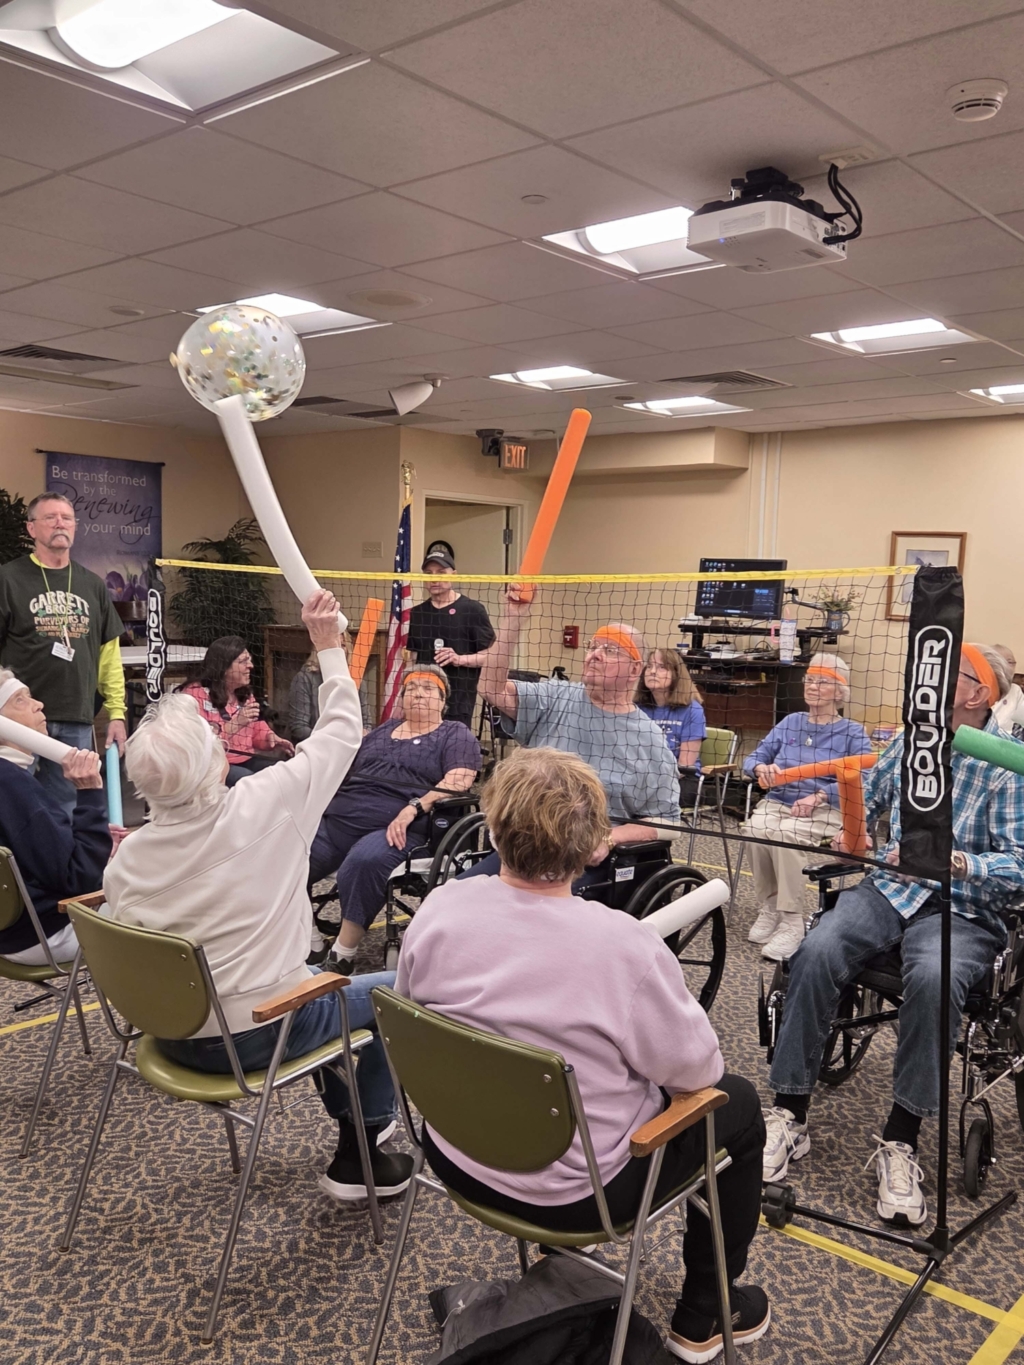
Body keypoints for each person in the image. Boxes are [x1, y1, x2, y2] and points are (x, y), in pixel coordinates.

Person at [397, 747, 769, 1362]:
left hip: (453, 1154)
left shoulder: (440, 907)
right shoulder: (623, 947)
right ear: (596, 847)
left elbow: (417, 1015)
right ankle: (706, 1311)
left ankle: (571, 1264)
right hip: (576, 1194)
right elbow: (698, 1073)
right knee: (740, 1103)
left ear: (493, 829)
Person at [105, 590, 412, 1203]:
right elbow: (341, 733)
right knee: (403, 992)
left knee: (317, 981)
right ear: (217, 765)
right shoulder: (266, 804)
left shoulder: (127, 858)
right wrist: (329, 645)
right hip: (255, 1034)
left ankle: (351, 1114)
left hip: (170, 1033)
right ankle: (363, 1150)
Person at [763, 643, 1024, 1228]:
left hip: (964, 908)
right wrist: (849, 833)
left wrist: (960, 863)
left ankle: (901, 1141)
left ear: (979, 694)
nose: (931, 677)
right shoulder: (912, 742)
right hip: (891, 888)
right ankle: (789, 1112)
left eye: (949, 672)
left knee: (933, 976)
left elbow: (1021, 862)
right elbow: (865, 796)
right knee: (816, 949)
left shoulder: (1009, 765)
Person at [469, 593, 680, 885]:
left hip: (583, 860)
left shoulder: (650, 740)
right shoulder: (556, 696)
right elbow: (491, 688)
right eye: (592, 646)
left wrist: (610, 837)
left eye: (610, 650)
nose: (595, 654)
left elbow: (669, 823)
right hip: (522, 848)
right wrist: (513, 617)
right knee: (453, 897)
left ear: (635, 669)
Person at [309, 664, 480, 973]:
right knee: (290, 854)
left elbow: (460, 779)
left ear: (443, 700)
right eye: (410, 688)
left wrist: (415, 806)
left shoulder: (454, 733)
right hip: (339, 819)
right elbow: (343, 767)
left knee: (364, 861)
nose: (418, 694)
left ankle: (342, 954)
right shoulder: (382, 731)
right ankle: (310, 940)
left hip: (398, 827)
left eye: (428, 689)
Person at [0, 492, 126, 817]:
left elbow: (109, 657)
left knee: (68, 809)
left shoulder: (93, 585)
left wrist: (116, 713)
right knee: (13, 806)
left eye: (66, 518)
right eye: (50, 517)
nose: (60, 523)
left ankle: (64, 853)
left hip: (75, 715)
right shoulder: (8, 579)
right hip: (19, 719)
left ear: (75, 527)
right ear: (31, 528)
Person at [741, 654, 872, 962]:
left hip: (825, 808)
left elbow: (865, 778)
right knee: (755, 830)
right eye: (809, 680)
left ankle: (791, 922)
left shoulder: (853, 732)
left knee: (785, 835)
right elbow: (752, 758)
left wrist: (819, 797)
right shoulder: (791, 722)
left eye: (822, 681)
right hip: (779, 800)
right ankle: (770, 906)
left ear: (840, 692)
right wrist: (761, 768)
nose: (812, 687)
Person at [0, 668, 110, 963]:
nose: (39, 704)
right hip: (46, 931)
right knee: (165, 902)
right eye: (20, 700)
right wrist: (89, 793)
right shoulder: (12, 784)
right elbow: (81, 879)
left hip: (13, 931)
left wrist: (92, 833)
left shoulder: (10, 779)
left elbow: (41, 852)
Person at [182, 636, 294, 785]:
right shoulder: (195, 695)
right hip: (213, 765)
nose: (251, 666)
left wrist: (270, 739)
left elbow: (257, 730)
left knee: (283, 773)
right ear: (224, 667)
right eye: (243, 662)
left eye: (249, 660)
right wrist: (236, 723)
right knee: (250, 782)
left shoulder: (244, 693)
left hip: (246, 758)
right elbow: (200, 744)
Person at [406, 549, 495, 728]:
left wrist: (459, 659)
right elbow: (413, 659)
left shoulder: (472, 610)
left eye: (440, 572)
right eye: (428, 574)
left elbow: (492, 656)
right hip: (423, 702)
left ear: (453, 575)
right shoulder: (417, 613)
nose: (434, 579)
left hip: (458, 701)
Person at [636, 648, 706, 769]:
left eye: (662, 667)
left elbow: (685, 765)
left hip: (680, 775)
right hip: (641, 774)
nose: (652, 671)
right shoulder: (637, 708)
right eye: (649, 666)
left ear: (676, 675)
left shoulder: (692, 710)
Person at [992, 644, 1024, 738]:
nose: (1011, 667)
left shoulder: (1015, 690)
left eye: (1012, 663)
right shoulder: (979, 688)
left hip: (1009, 738)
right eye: (1008, 662)